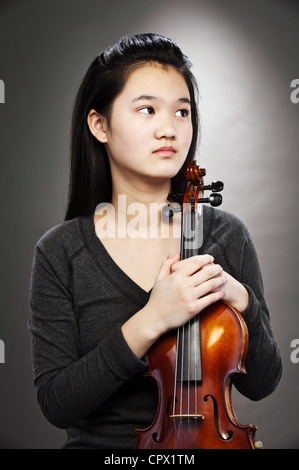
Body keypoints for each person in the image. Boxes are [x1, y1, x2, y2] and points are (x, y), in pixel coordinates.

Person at [28, 33, 282, 449]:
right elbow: (58, 403)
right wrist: (152, 319)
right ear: (100, 125)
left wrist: (241, 300)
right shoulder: (60, 252)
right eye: (147, 109)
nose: (170, 128)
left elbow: (264, 383)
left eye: (182, 112)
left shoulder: (226, 233)